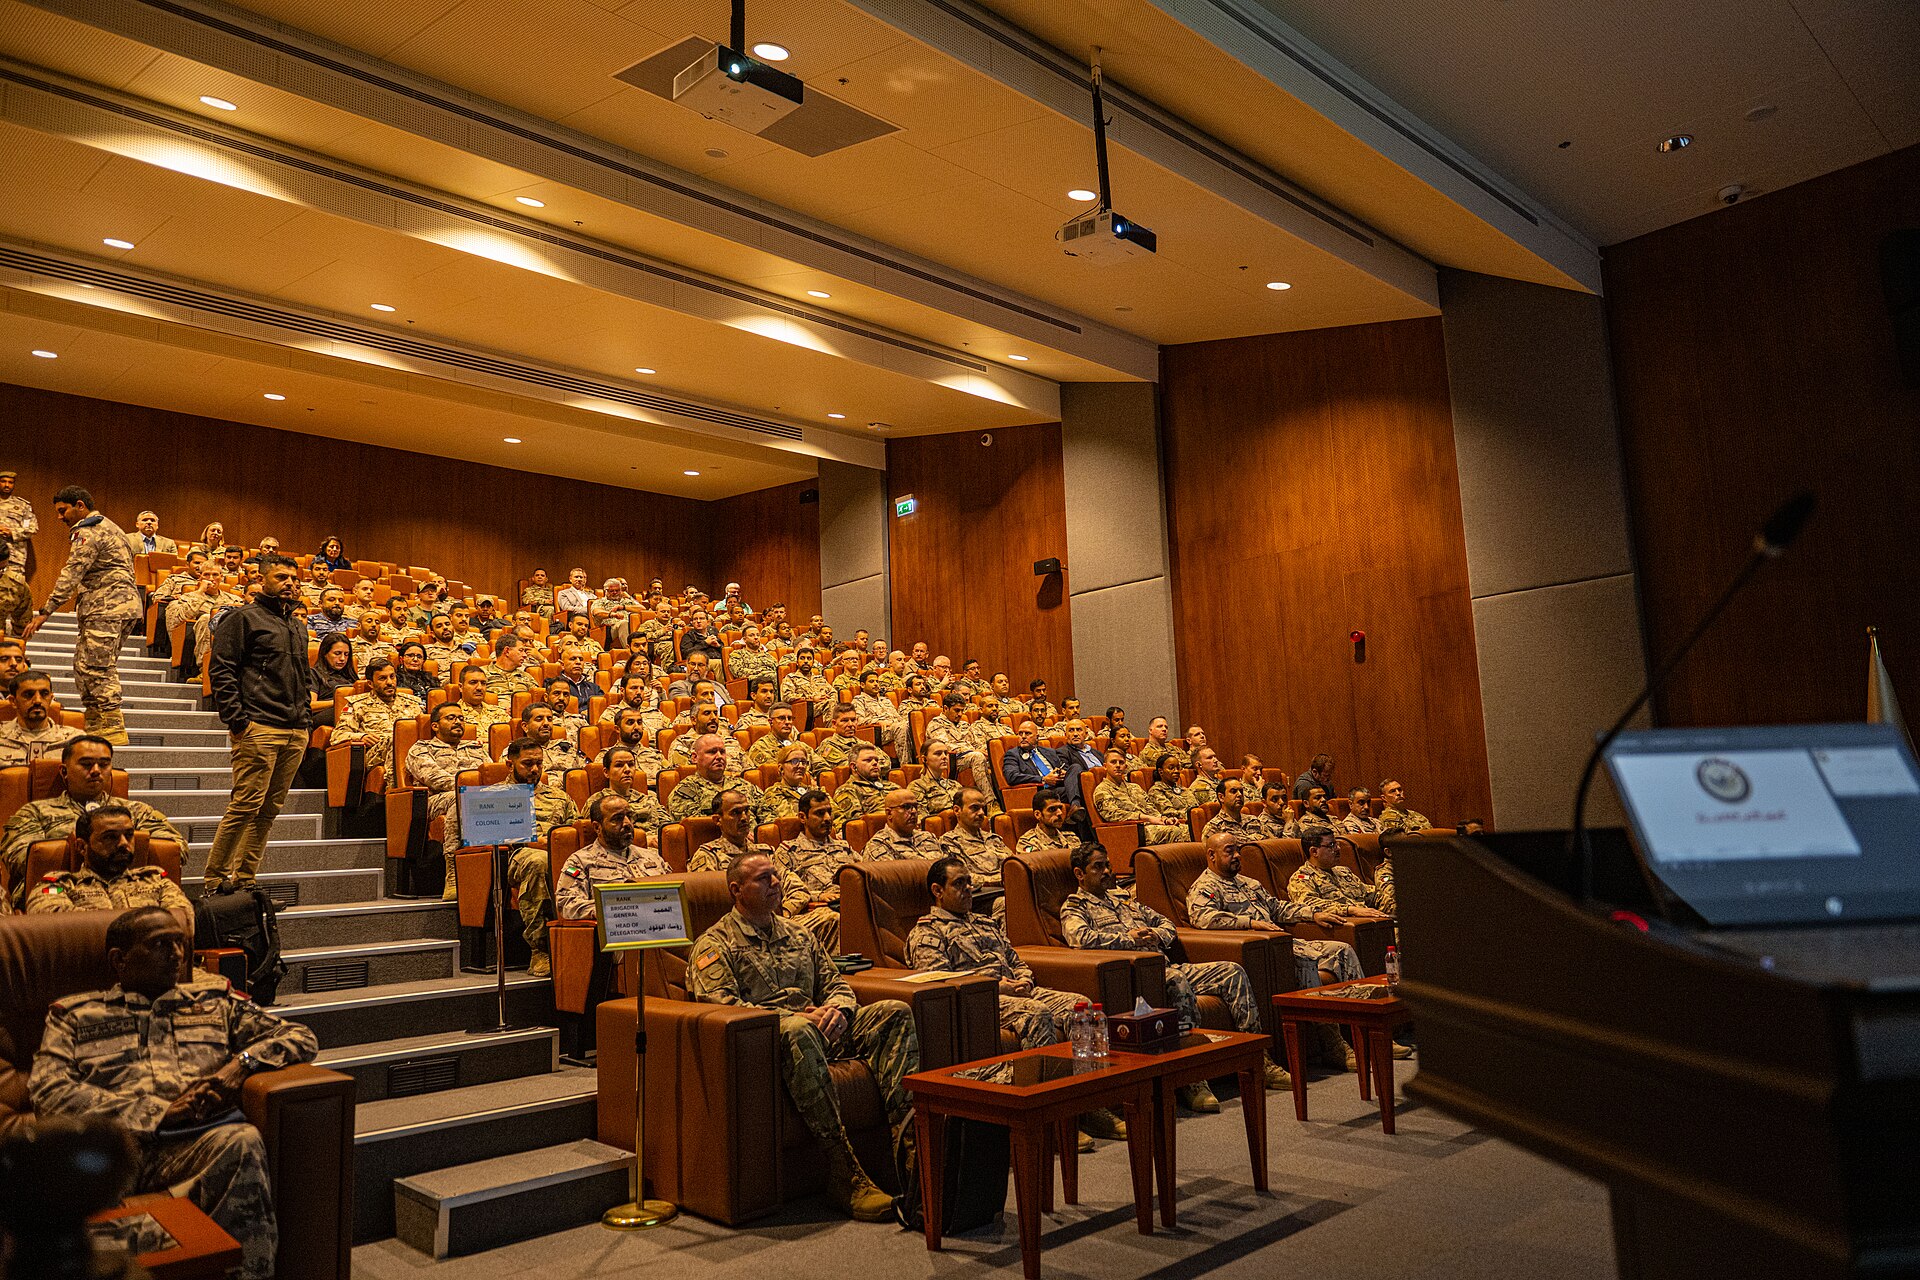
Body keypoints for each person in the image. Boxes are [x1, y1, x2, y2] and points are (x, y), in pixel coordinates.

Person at [30, 907, 319, 1279]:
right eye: (160, 944)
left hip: (192, 1150)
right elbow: (48, 1092)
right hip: (115, 1152)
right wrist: (159, 1113)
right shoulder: (76, 1016)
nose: (177, 954)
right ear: (120, 960)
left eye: (180, 943)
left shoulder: (215, 1003)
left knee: (241, 1141)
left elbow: (300, 1036)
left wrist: (241, 1065)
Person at [686, 851, 916, 1221]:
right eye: (763, 879)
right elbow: (722, 1006)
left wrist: (840, 1010)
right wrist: (795, 1015)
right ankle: (845, 1173)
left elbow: (836, 984)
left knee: (893, 1012)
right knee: (798, 1029)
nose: (775, 883)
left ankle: (908, 1148)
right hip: (771, 1041)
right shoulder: (715, 944)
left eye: (775, 875)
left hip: (823, 1027)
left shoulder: (799, 934)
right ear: (736, 890)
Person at [906, 859, 1126, 1149]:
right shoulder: (928, 932)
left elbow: (1015, 960)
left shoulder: (984, 922)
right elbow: (939, 980)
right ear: (937, 890)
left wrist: (1023, 979)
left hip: (1019, 991)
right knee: (1038, 1014)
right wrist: (1000, 986)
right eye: (959, 884)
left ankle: (1087, 1105)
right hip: (981, 1001)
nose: (969, 889)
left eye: (969, 882)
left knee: (1082, 1006)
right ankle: (1048, 1119)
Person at [1060, 843, 1290, 1111]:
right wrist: (1129, 939)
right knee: (1178, 982)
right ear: (1079, 873)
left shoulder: (1122, 899)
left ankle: (1259, 1057)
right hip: (1137, 975)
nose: (1108, 871)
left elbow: (1166, 923)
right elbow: (1081, 938)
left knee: (1231, 971)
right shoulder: (1075, 905)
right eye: (1098, 867)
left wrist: (1158, 935)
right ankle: (1193, 1078)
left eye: (1108, 864)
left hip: (1170, 965)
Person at [201, 555, 310, 895]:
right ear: (263, 580)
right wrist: (237, 721)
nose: (290, 582)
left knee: (269, 810)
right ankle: (215, 878)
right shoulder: (243, 618)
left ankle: (245, 878)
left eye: (294, 577)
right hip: (258, 726)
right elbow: (221, 671)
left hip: (295, 729)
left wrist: (304, 714)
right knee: (246, 805)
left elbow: (303, 675)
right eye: (281, 576)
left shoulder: (297, 625)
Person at [2, 736, 183, 908]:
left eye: (104, 764)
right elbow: (22, 859)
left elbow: (177, 849)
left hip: (133, 891)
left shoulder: (137, 811)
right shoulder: (34, 812)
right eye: (86, 764)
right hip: (63, 891)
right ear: (64, 771)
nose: (96, 770)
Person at [21, 488, 141, 744]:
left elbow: (72, 572)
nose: (59, 517)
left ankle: (111, 725)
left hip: (107, 606)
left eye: (63, 511)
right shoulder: (112, 527)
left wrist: (46, 610)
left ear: (80, 506)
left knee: (96, 667)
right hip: (120, 606)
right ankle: (96, 721)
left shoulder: (87, 531)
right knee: (84, 664)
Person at [501, 738, 581, 978]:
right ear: (509, 764)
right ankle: (539, 950)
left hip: (561, 856)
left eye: (539, 763)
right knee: (538, 862)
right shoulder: (494, 796)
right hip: (514, 857)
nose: (535, 769)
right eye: (527, 764)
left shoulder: (559, 796)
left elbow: (576, 829)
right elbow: (492, 836)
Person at [25, 803, 191, 915]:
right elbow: (57, 926)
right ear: (82, 847)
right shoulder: (60, 886)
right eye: (110, 837)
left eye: (129, 835)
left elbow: (183, 920)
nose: (123, 843)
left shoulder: (156, 881)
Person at [404, 703, 489, 899]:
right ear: (435, 726)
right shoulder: (421, 748)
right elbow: (433, 778)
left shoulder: (475, 747)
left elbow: (491, 773)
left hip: (476, 796)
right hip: (434, 800)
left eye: (461, 718)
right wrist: (470, 788)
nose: (458, 721)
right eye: (450, 718)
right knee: (458, 797)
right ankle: (452, 870)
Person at [555, 793, 669, 922]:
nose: (627, 823)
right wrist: (612, 910)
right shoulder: (580, 862)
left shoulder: (652, 857)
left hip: (661, 926)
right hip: (618, 931)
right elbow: (566, 902)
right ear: (597, 827)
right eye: (617, 819)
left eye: (629, 817)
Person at [775, 789, 857, 924]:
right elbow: (786, 891)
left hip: (850, 904)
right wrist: (818, 896)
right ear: (802, 817)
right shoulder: (788, 852)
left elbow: (865, 873)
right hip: (812, 912)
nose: (827, 818)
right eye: (819, 813)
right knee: (836, 919)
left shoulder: (844, 847)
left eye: (829, 812)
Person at [331, 656, 422, 774]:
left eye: (392, 677)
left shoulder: (412, 703)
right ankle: (395, 788)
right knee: (395, 741)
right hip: (376, 754)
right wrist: (361, 736)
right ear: (370, 683)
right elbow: (337, 736)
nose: (389, 682)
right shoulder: (358, 705)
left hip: (412, 751)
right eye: (382, 678)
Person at [668, 733, 772, 827]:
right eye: (712, 752)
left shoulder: (744, 785)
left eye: (722, 752)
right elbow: (698, 828)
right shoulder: (685, 791)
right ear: (695, 758)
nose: (719, 757)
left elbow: (769, 813)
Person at [1288, 831, 1394, 921]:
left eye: (1337, 844)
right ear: (1314, 851)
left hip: (1374, 920)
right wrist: (1350, 910)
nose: (1338, 849)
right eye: (1331, 845)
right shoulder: (1302, 879)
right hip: (1345, 927)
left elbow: (1372, 895)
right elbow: (1308, 905)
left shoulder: (1343, 871)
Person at [1091, 747, 1186, 845]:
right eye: (1113, 762)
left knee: (1187, 828)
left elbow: (1151, 808)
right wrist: (1145, 818)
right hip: (1131, 831)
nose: (1118, 766)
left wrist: (1164, 819)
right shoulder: (1102, 790)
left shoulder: (1135, 787)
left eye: (1121, 762)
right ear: (1105, 766)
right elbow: (1112, 815)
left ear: (1126, 767)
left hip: (1151, 826)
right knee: (1177, 832)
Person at [937, 787, 1012, 905]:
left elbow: (1012, 864)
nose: (982, 813)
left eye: (983, 808)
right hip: (980, 899)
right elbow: (961, 878)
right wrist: (1002, 879)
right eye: (975, 808)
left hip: (1008, 890)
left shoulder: (993, 838)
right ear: (957, 810)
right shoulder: (949, 842)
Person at [0, 669, 81, 766]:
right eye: (28, 695)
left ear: (51, 699)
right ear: (13, 701)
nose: (38, 701)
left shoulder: (75, 740)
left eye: (44, 694)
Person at [862, 789, 943, 860]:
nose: (914, 811)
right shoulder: (877, 846)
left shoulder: (927, 837)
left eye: (915, 806)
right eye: (906, 807)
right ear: (889, 813)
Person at [827, 744, 891, 833]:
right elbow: (858, 825)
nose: (875, 763)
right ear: (854, 767)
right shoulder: (848, 790)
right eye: (868, 760)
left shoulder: (892, 785)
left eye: (876, 760)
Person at [307, 633, 356, 726]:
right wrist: (338, 702)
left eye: (346, 654)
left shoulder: (351, 676)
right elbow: (310, 705)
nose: (342, 658)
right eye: (337, 653)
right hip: (326, 714)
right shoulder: (314, 673)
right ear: (325, 653)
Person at [0, 470, 39, 583]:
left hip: (14, 559)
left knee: (11, 594)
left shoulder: (22, 506)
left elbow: (32, 528)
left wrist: (12, 532)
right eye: (3, 481)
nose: (7, 485)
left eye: (10, 482)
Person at [1001, 720, 1064, 788]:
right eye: (1020, 734)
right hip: (1040, 791)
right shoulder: (1012, 754)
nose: (1023, 737)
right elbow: (1012, 777)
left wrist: (1063, 773)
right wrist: (1043, 779)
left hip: (1060, 786)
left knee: (1074, 768)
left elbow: (1061, 767)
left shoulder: (1050, 752)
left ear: (1037, 737)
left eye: (1027, 733)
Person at [909, 742, 964, 817]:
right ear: (924, 759)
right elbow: (923, 819)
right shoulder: (917, 786)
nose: (944, 757)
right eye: (938, 754)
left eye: (945, 753)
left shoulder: (955, 784)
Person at [1015, 788, 1075, 855]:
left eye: (1060, 808)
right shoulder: (1028, 843)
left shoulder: (1071, 837)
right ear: (1038, 814)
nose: (1060, 813)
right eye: (1052, 809)